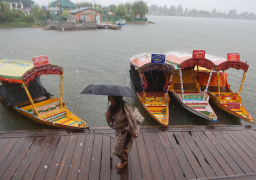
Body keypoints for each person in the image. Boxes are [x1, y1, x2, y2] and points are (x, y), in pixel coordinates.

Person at [105, 96, 138, 170]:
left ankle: (124, 161)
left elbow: (131, 118)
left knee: (118, 149)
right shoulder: (112, 108)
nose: (111, 102)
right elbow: (111, 123)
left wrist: (134, 131)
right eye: (109, 99)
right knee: (123, 147)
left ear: (117, 99)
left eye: (113, 99)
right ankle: (124, 159)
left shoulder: (125, 106)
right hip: (118, 131)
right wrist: (108, 117)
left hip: (127, 130)